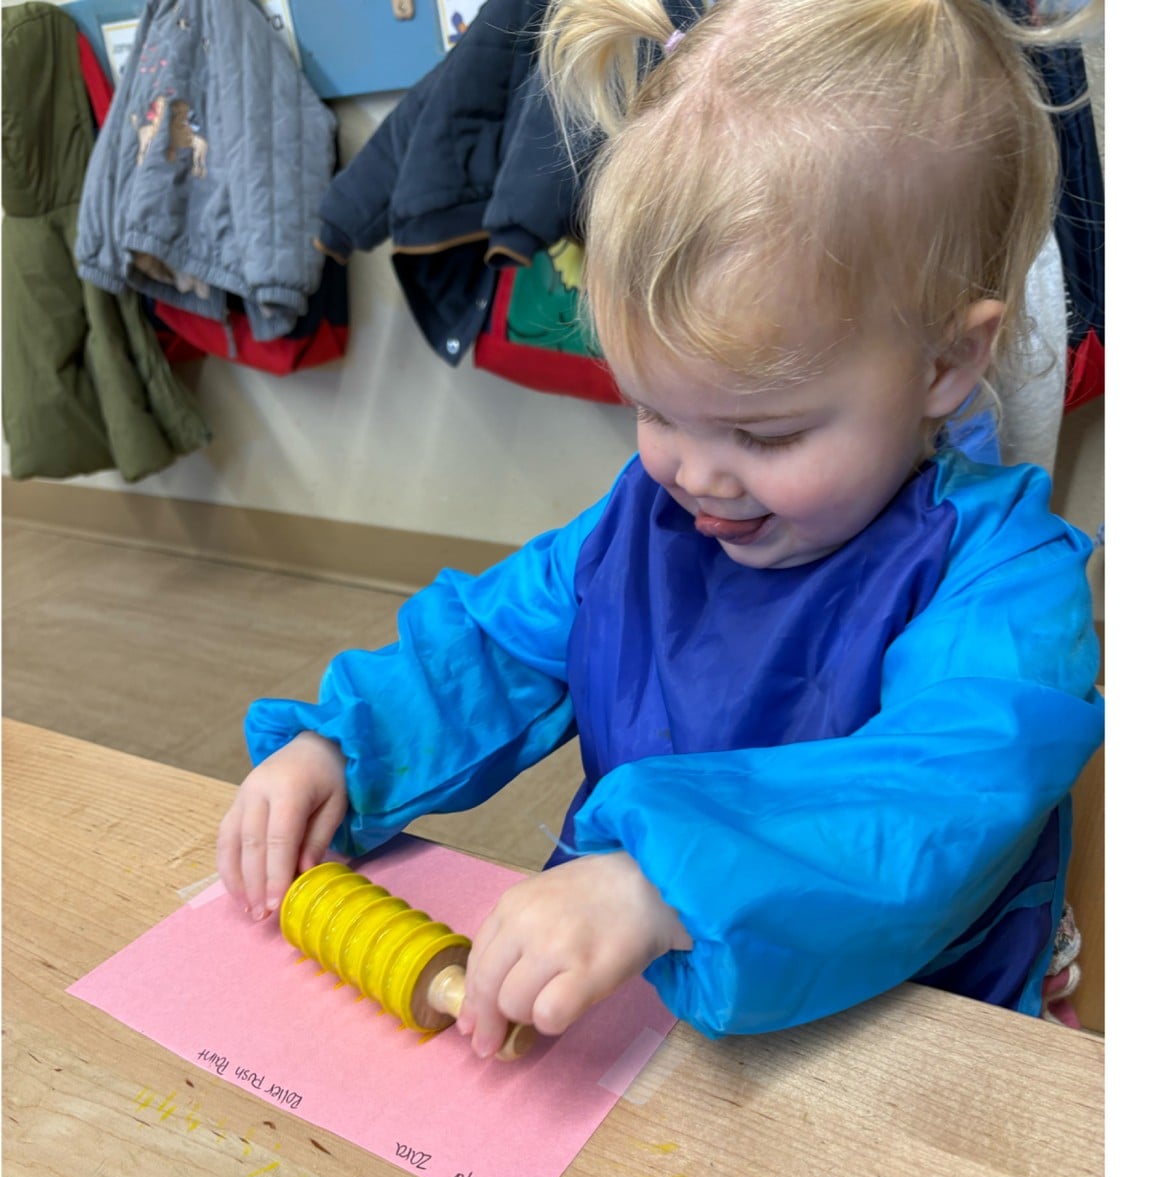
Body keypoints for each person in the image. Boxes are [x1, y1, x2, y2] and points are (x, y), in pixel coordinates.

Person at [218, 0, 1104, 1060]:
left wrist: (666, 877)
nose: (692, 471)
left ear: (944, 365)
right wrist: (342, 746)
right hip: (659, 1022)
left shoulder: (1005, 581)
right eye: (652, 407)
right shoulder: (645, 524)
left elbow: (936, 793)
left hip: (908, 1049)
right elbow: (488, 646)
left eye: (761, 430)